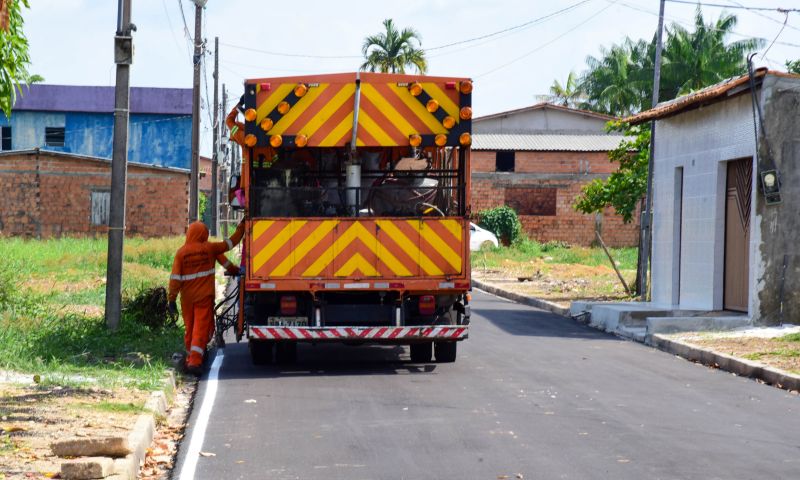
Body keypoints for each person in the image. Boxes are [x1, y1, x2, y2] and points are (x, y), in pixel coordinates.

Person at [168, 219, 245, 375]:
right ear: (204, 234)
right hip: (204, 296)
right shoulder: (209, 248)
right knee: (201, 328)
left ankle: (192, 356)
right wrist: (242, 227)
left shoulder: (181, 253)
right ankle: (195, 362)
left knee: (190, 327)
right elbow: (230, 244)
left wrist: (171, 299)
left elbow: (175, 278)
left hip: (187, 298)